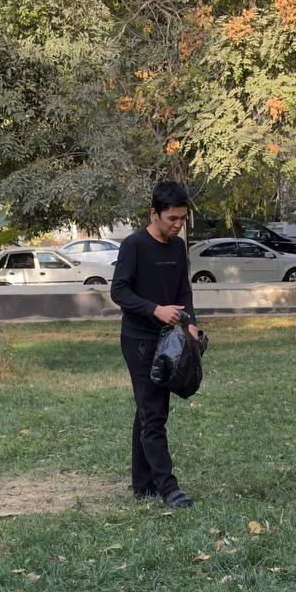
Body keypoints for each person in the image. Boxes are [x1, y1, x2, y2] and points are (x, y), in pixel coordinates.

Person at [109, 181, 199, 509]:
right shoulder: (134, 245)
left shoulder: (176, 248)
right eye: (172, 218)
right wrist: (155, 310)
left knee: (147, 410)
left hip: (171, 341)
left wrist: (190, 322)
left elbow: (183, 290)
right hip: (139, 341)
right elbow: (118, 292)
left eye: (182, 219)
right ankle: (168, 487)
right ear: (154, 213)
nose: (177, 225)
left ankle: (142, 482)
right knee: (154, 413)